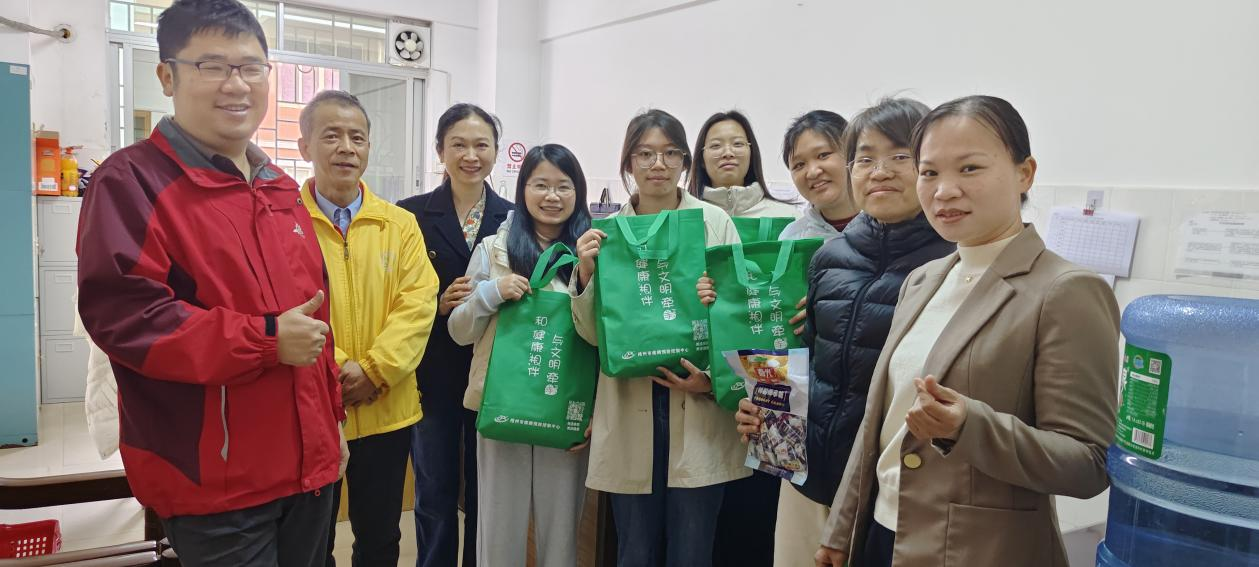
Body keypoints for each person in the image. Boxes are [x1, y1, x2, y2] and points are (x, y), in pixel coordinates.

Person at [76, 1, 346, 565]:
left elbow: (313, 322)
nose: (236, 84)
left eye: (250, 67)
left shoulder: (278, 188)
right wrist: (266, 340)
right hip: (217, 484)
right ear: (167, 76)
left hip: (309, 469)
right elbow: (128, 319)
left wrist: (331, 426)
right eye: (212, 66)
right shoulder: (131, 182)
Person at [815, 95, 1121, 567]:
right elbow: (879, 423)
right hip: (881, 533)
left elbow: (1088, 463)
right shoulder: (924, 280)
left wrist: (969, 427)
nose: (944, 191)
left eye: (970, 168)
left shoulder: (1064, 290)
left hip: (978, 550)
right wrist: (842, 529)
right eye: (929, 172)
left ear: (1025, 173)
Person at [728, 98, 955, 567]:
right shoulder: (827, 257)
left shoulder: (953, 262)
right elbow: (806, 357)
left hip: (894, 493)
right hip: (807, 476)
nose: (880, 171)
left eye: (900, 156)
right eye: (865, 159)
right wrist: (765, 412)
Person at [572, 109, 743, 567]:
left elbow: (740, 317)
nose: (658, 165)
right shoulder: (606, 234)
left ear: (685, 161)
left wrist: (710, 380)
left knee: (692, 549)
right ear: (628, 162)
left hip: (697, 403)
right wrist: (586, 273)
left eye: (670, 153)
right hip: (631, 402)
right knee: (635, 549)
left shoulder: (713, 222)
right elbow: (591, 335)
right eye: (645, 154)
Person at [296, 90, 440, 567]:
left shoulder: (399, 224)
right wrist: (340, 374)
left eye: (356, 137)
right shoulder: (285, 223)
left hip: (386, 408)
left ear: (369, 148)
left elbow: (418, 302)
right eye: (331, 136)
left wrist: (375, 370)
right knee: (310, 540)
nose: (346, 147)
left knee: (379, 537)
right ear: (305, 146)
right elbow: (287, 306)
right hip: (314, 408)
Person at [448, 144, 593, 567]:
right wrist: (491, 292)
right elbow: (459, 332)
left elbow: (602, 339)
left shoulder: (590, 252)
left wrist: (587, 277)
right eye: (540, 185)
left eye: (563, 186)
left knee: (561, 535)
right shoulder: (494, 249)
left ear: (578, 192)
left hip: (565, 407)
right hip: (502, 405)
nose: (552, 196)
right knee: (498, 531)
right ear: (522, 190)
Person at [397, 103, 512, 567]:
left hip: (495, 374)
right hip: (433, 373)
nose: (471, 155)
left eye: (481, 145)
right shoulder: (409, 215)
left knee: (487, 490)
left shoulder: (513, 217)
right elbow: (395, 298)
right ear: (440, 150)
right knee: (435, 489)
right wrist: (437, 304)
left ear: (496, 151)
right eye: (458, 145)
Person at [688, 110, 799, 219]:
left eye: (738, 144)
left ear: (751, 154)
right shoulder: (686, 217)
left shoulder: (787, 217)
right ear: (701, 159)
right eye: (716, 145)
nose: (728, 153)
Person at [778, 111, 861, 241]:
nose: (812, 172)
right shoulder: (792, 239)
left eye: (823, 155)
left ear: (852, 153)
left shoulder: (887, 223)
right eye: (799, 165)